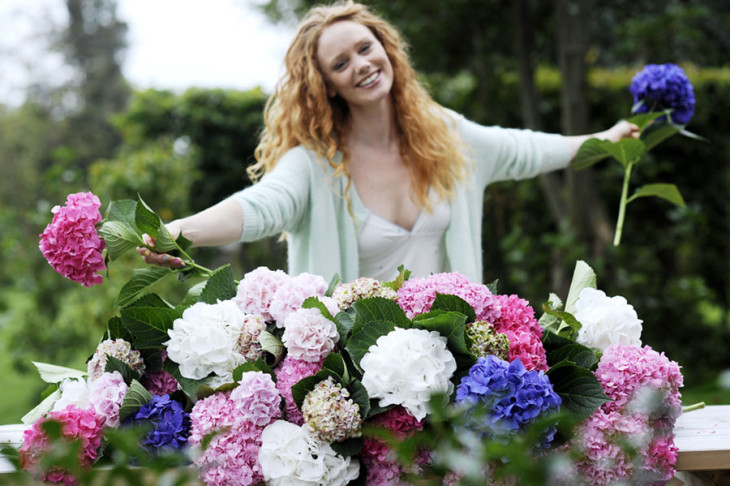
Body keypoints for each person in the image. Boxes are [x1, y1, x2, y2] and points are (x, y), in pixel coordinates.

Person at [138, 0, 638, 284]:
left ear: (386, 49)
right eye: (340, 63)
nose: (361, 64)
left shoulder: (448, 136)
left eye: (365, 47)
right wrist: (181, 230)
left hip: (451, 365)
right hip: (351, 383)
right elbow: (260, 206)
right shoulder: (315, 164)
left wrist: (605, 139)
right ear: (326, 85)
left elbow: (528, 149)